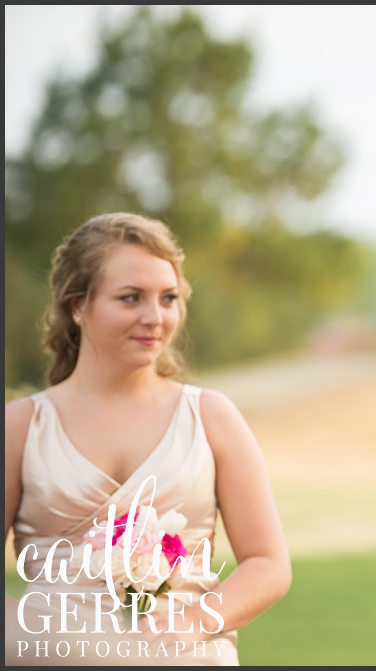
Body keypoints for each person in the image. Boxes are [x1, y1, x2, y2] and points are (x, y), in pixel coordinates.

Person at [5, 213, 291, 665]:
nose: (155, 317)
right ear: (78, 306)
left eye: (169, 298)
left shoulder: (211, 417)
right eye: (131, 298)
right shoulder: (21, 426)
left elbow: (268, 564)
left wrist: (196, 621)